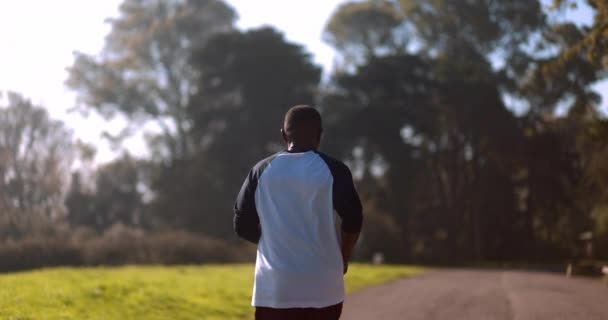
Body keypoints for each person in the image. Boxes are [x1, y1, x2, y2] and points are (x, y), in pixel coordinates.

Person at [233, 105, 363, 320]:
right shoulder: (334, 170)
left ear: (284, 135)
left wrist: (274, 238)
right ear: (320, 135)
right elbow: (354, 219)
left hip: (275, 287)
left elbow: (241, 224)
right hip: (324, 287)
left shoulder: (261, 171)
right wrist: (344, 256)